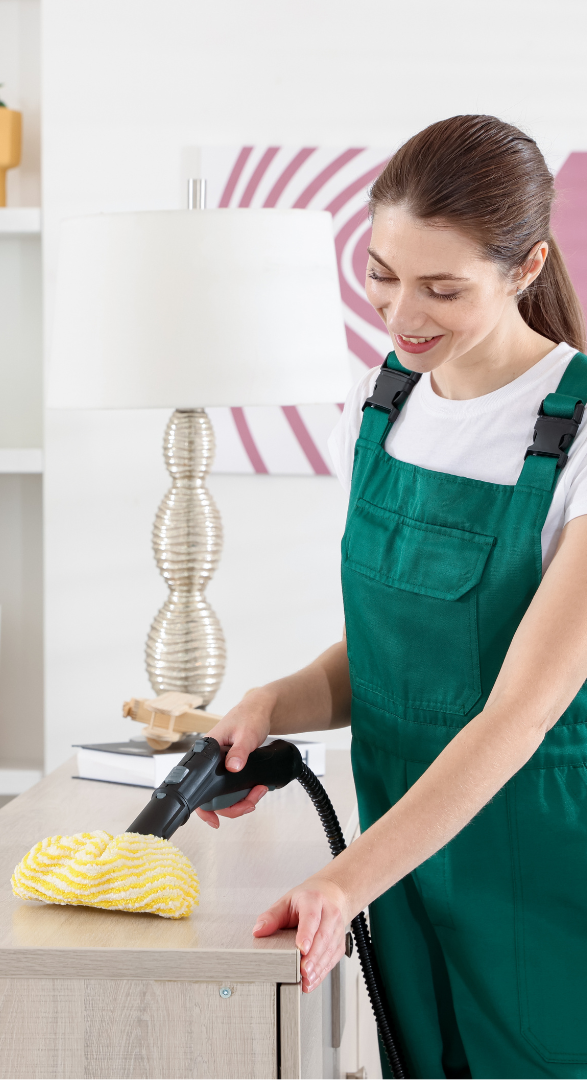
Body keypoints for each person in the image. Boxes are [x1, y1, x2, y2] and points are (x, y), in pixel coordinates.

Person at [200, 115, 587, 1079]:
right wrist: (273, 704)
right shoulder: (380, 410)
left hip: (542, 857)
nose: (400, 312)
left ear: (526, 267)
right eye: (381, 272)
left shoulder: (576, 437)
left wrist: (343, 878)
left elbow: (516, 715)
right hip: (407, 850)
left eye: (441, 287)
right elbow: (388, 656)